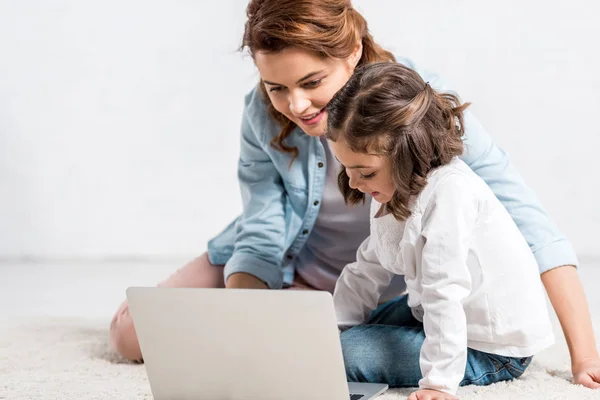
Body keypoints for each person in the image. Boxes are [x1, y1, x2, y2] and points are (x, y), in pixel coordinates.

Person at [109, 0, 600, 389]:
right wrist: (247, 322)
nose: (294, 106)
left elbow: (525, 217)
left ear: (352, 52)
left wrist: (585, 354)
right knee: (132, 334)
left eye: (311, 82)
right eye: (275, 86)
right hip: (291, 262)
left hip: (387, 283)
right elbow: (262, 227)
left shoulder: (414, 105)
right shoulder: (262, 112)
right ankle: (266, 332)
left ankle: (284, 336)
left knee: (342, 348)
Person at [327, 61, 555, 399]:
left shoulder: (450, 192)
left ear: (407, 152)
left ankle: (446, 366)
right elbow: (365, 270)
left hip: (492, 347)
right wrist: (330, 331)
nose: (354, 183)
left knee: (345, 354)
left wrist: (439, 383)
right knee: (338, 339)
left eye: (365, 172)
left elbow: (443, 291)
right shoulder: (392, 185)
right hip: (432, 311)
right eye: (347, 169)